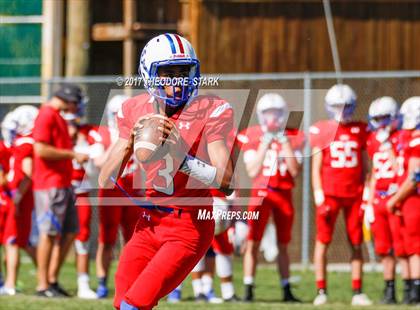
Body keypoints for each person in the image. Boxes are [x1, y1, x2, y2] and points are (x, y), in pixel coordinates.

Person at [98, 33, 234, 310]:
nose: (178, 80)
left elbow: (227, 182)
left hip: (188, 227)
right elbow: (104, 179)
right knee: (121, 302)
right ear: (149, 74)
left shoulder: (211, 109)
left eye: (183, 72)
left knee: (135, 304)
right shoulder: (134, 109)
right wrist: (130, 142)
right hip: (148, 223)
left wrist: (182, 158)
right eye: (168, 73)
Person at [309, 84, 372, 306]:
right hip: (330, 194)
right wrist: (318, 196)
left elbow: (366, 168)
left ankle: (357, 291)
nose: (342, 111)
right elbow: (316, 167)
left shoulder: (361, 129)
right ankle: (321, 291)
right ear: (328, 107)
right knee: (322, 241)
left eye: (346, 106)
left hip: (354, 195)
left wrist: (367, 197)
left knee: (356, 242)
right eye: (337, 106)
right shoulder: (321, 129)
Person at [237, 93, 303, 303]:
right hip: (259, 196)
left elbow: (294, 171)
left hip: (283, 194)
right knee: (253, 242)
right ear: (261, 114)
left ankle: (286, 289)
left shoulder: (293, 136)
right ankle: (248, 288)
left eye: (276, 113)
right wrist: (265, 144)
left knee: (283, 245)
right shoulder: (253, 135)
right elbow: (252, 170)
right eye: (268, 113)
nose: (272, 117)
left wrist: (284, 143)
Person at [32, 84, 89, 297]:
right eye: (75, 102)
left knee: (70, 231)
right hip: (49, 184)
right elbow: (41, 149)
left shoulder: (57, 116)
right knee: (49, 233)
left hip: (63, 184)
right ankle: (42, 285)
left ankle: (52, 280)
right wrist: (73, 155)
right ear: (68, 99)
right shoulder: (46, 114)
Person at [94, 94, 142, 298]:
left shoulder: (141, 134)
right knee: (107, 238)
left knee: (133, 240)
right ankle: (102, 282)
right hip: (111, 192)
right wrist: (120, 143)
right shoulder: (103, 134)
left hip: (134, 190)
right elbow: (99, 163)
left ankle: (131, 281)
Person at [365, 96, 410, 304]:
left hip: (396, 197)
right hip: (379, 198)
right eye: (378, 118)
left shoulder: (401, 137)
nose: (381, 123)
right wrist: (368, 201)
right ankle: (389, 288)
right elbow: (374, 171)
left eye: (385, 118)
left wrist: (389, 147)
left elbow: (399, 168)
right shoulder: (373, 140)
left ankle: (409, 287)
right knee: (383, 248)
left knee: (402, 247)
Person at [0, 106, 38, 296]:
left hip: (19, 197)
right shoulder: (24, 142)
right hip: (18, 195)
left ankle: (10, 285)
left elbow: (28, 174)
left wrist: (16, 198)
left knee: (12, 241)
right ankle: (45, 278)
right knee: (20, 241)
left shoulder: (26, 143)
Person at [386, 97, 420, 303]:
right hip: (404, 199)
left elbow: (415, 177)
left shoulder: (416, 140)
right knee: (404, 246)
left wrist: (394, 200)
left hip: (412, 198)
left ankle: (416, 290)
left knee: (415, 247)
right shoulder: (405, 137)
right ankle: (409, 291)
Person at [64, 111, 98, 299]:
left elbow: (93, 175)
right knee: (53, 236)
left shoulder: (88, 136)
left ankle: (83, 284)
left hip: (81, 193)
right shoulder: (57, 137)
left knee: (83, 237)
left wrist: (85, 150)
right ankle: (48, 281)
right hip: (60, 192)